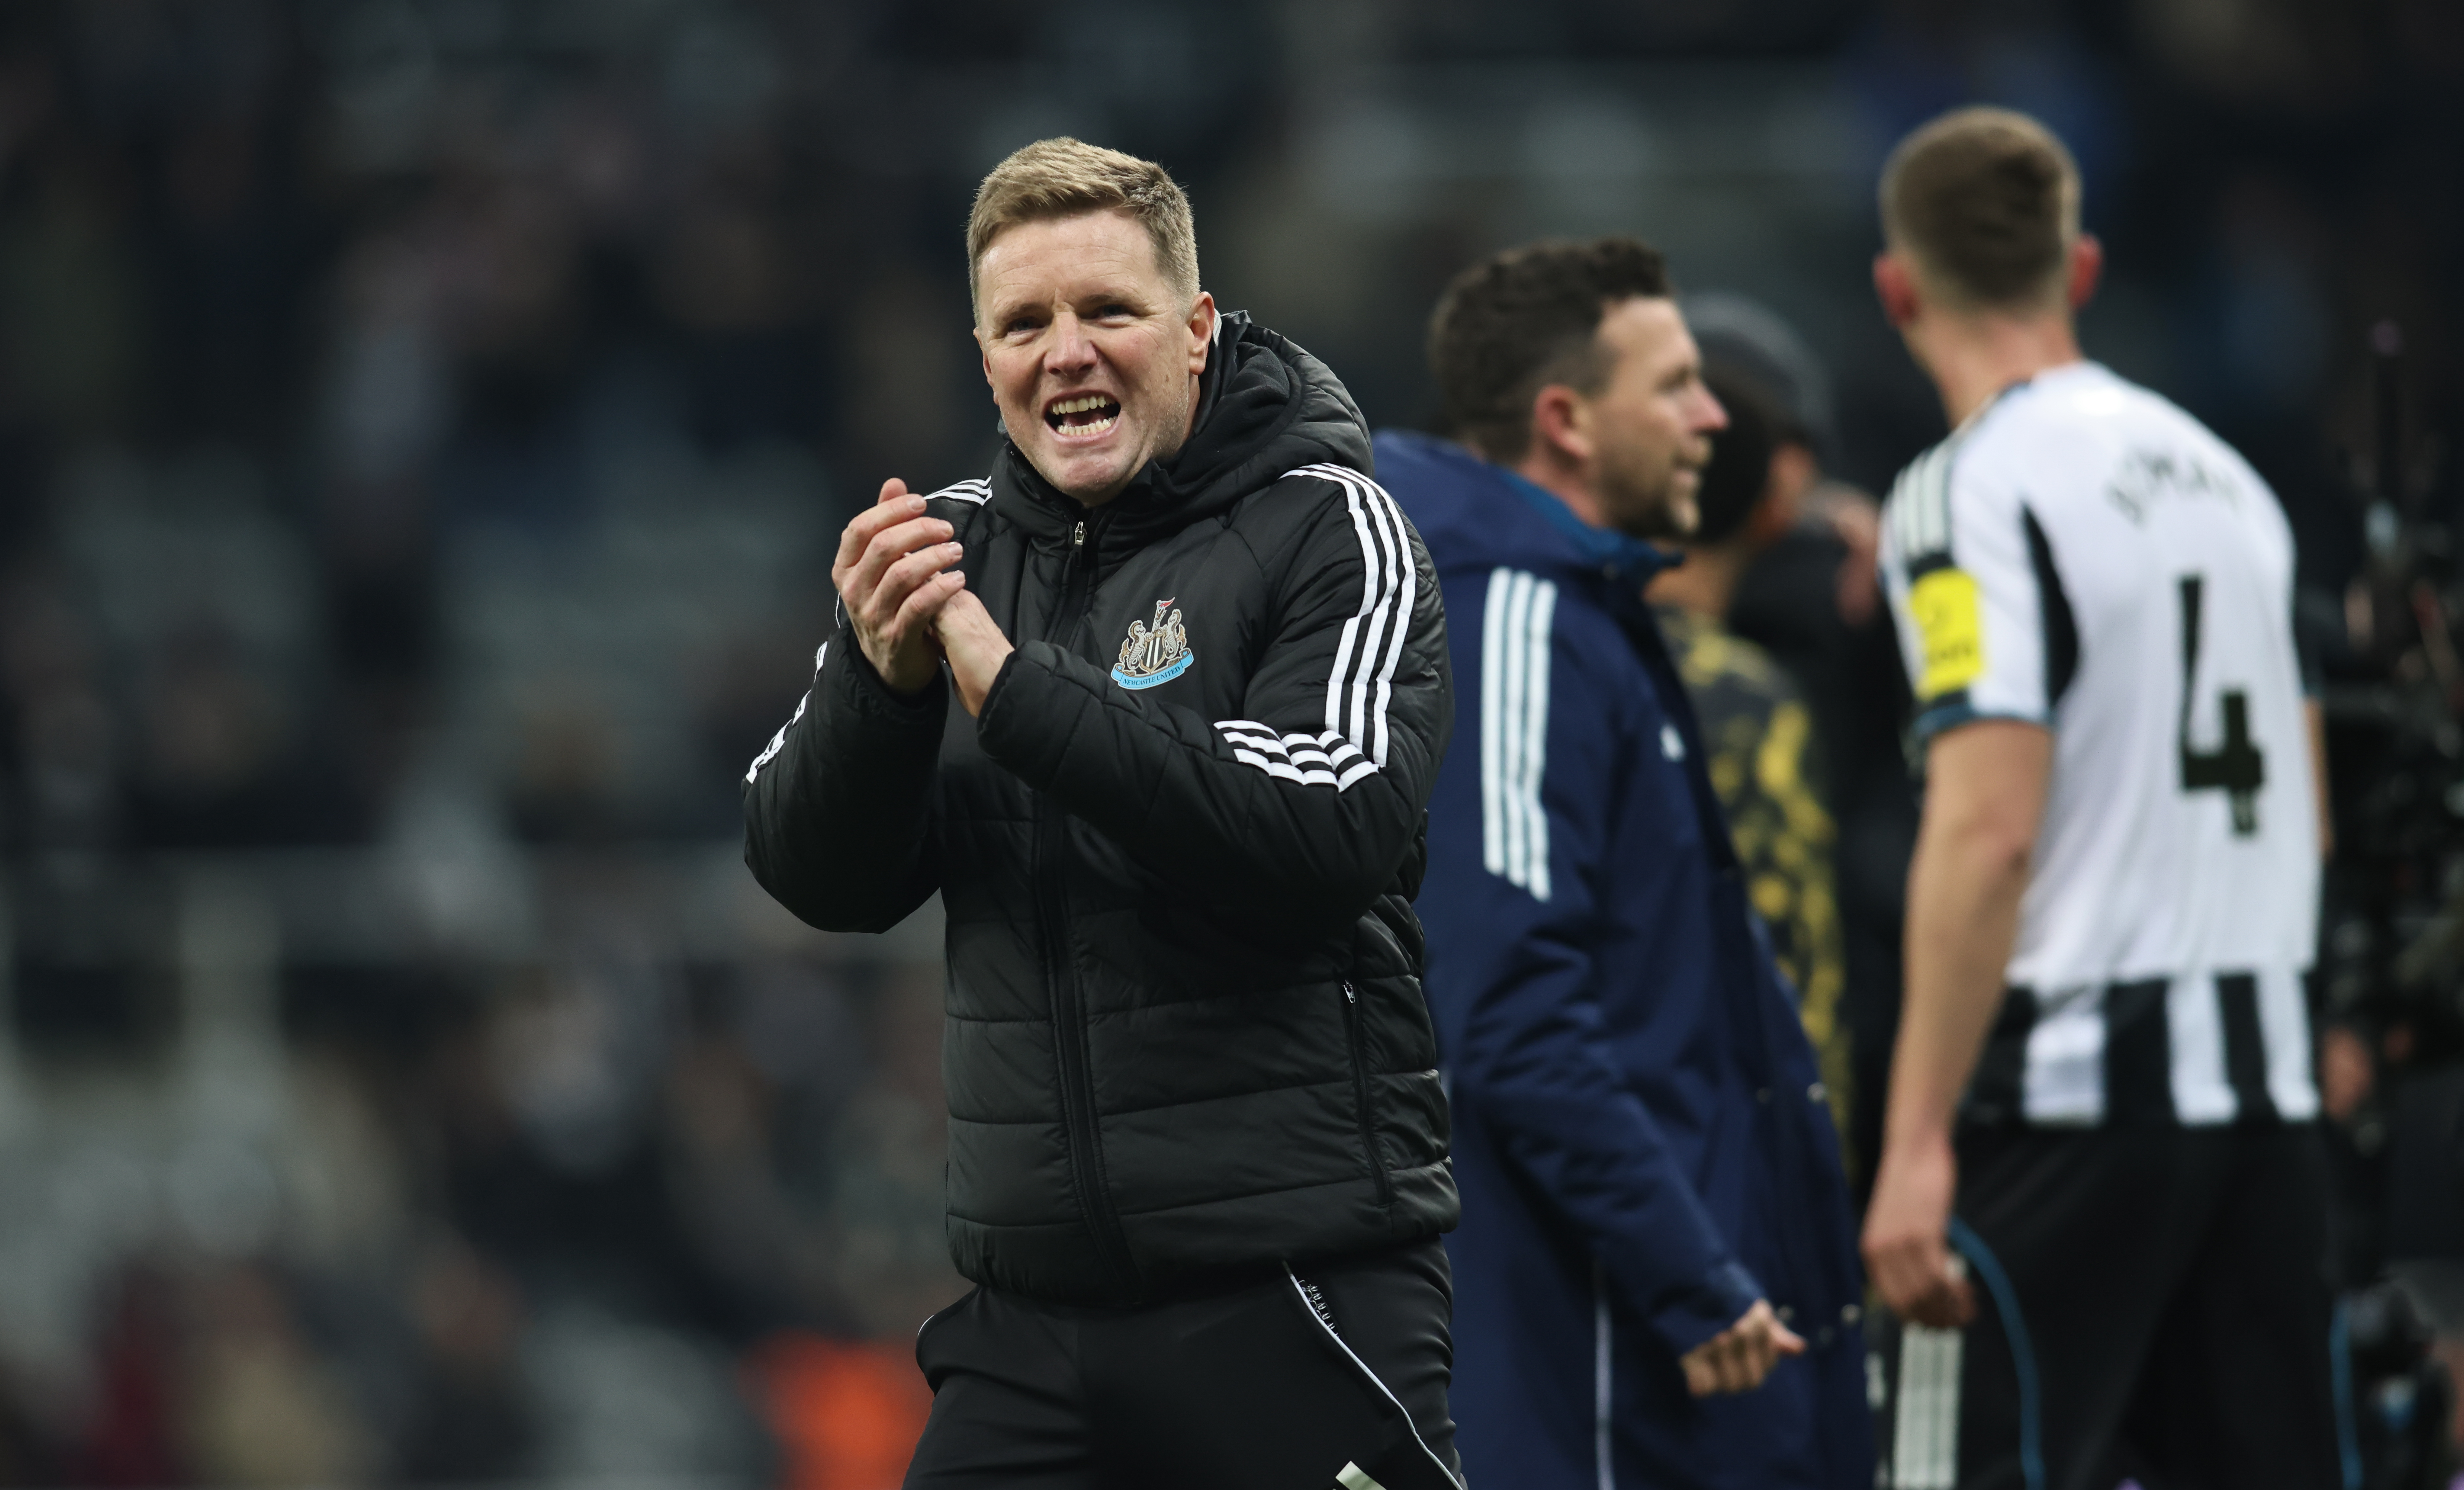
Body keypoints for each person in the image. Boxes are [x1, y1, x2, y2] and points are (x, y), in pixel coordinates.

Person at [742, 138, 1463, 1490]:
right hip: (1031, 1321)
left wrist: (1018, 693)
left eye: (1106, 313)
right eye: (1024, 323)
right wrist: (883, 692)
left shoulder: (1333, 526)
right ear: (983, 358)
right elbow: (811, 872)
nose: (1064, 352)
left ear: (1196, 332)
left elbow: (1332, 823)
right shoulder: (943, 553)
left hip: (1293, 1287)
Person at [1861, 107, 2342, 1490]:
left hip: (2072, 1090)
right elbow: (2300, 818)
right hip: (2259, 1089)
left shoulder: (1968, 492)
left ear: (1900, 290)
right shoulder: (2237, 487)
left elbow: (1988, 821)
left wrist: (1913, 1142)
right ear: (2081, 271)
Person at [1381, 237, 1871, 1490]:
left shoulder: (1588, 610)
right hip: (1593, 1333)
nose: (1713, 416)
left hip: (1651, 1324)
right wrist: (1689, 1269)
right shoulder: (1519, 619)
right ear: (1566, 421)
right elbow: (1503, 1004)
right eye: (1675, 386)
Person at [1648, 360, 1853, 1145]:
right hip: (1718, 1145)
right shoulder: (1748, 700)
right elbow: (1802, 981)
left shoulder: (1561, 651)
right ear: (1775, 511)